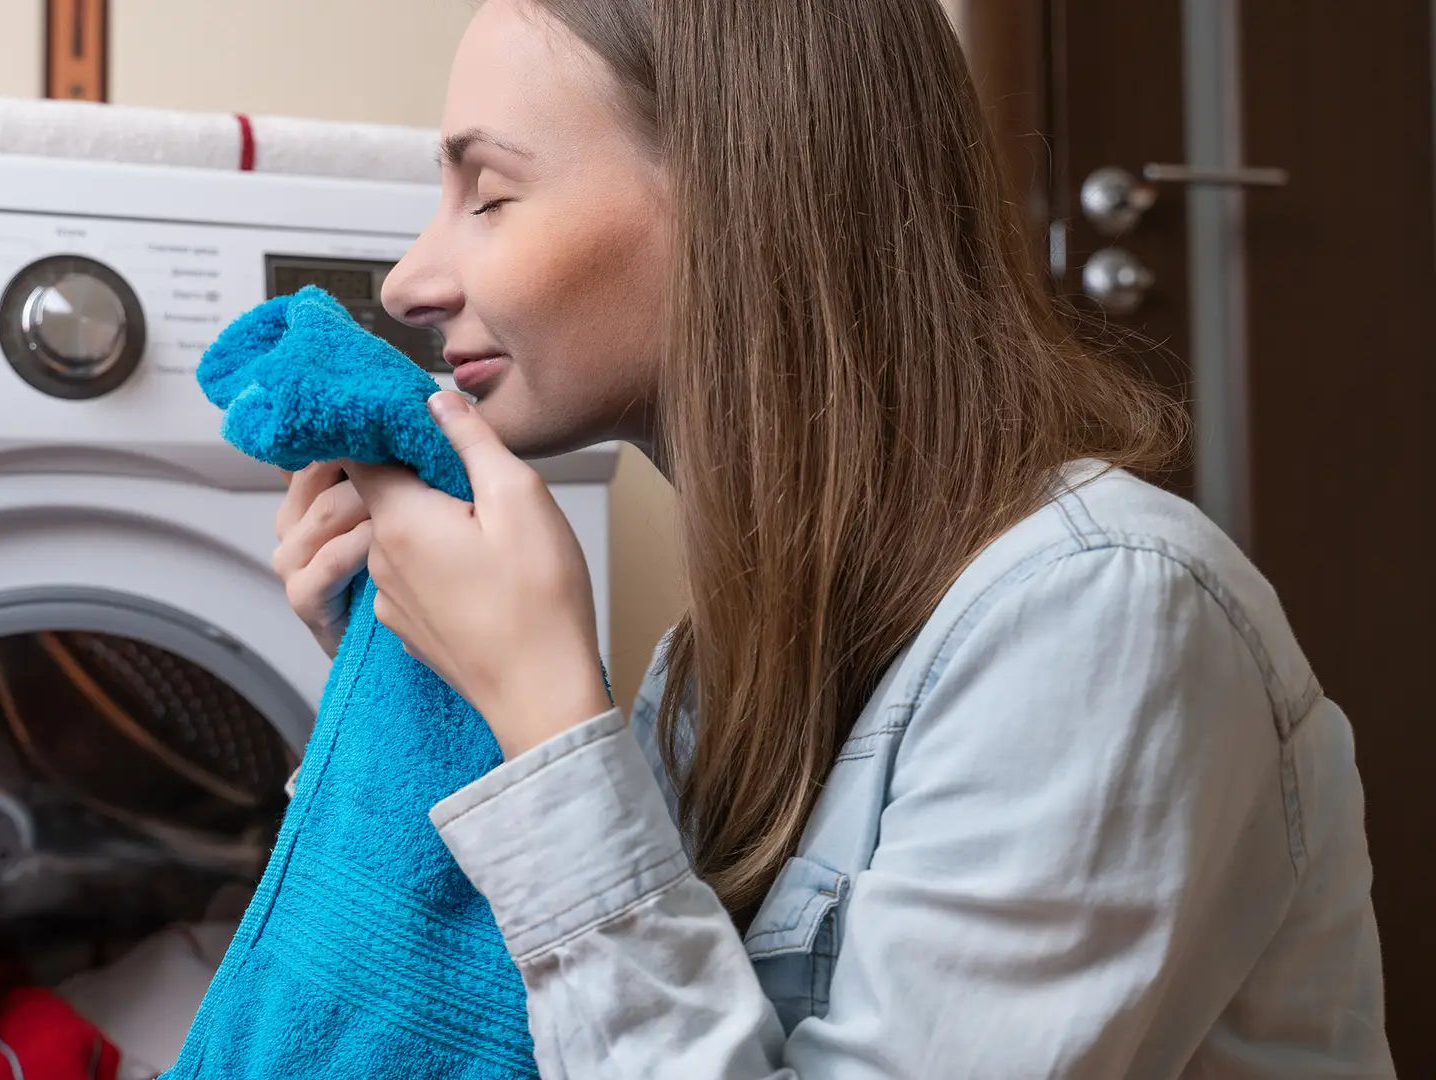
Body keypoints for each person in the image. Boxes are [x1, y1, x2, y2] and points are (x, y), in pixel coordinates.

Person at [269, 0, 1394, 1075]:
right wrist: (441, 693)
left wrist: (550, 726)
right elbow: (521, 1032)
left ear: (738, 198)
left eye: (489, 196)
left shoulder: (1105, 615)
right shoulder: (714, 674)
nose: (407, 283)